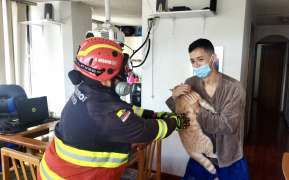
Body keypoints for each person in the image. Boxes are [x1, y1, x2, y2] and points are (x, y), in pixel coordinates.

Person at [38, 37, 189, 180]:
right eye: (122, 71)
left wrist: (155, 115)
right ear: (104, 77)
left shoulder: (86, 89)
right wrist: (175, 122)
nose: (126, 74)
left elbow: (123, 109)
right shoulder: (107, 113)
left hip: (53, 170)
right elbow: (147, 130)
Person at [166, 38, 249, 180]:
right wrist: (174, 98)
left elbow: (228, 126)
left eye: (200, 59)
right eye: (192, 61)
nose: (196, 65)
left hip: (228, 157)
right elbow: (184, 118)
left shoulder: (234, 88)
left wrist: (198, 109)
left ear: (213, 58)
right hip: (201, 155)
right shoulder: (190, 83)